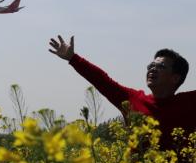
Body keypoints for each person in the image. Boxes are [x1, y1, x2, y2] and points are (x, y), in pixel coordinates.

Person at [49, 35, 196, 150]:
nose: (152, 69)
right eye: (151, 65)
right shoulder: (131, 100)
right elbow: (102, 81)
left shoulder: (189, 103)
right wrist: (73, 58)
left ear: (175, 77)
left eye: (161, 66)